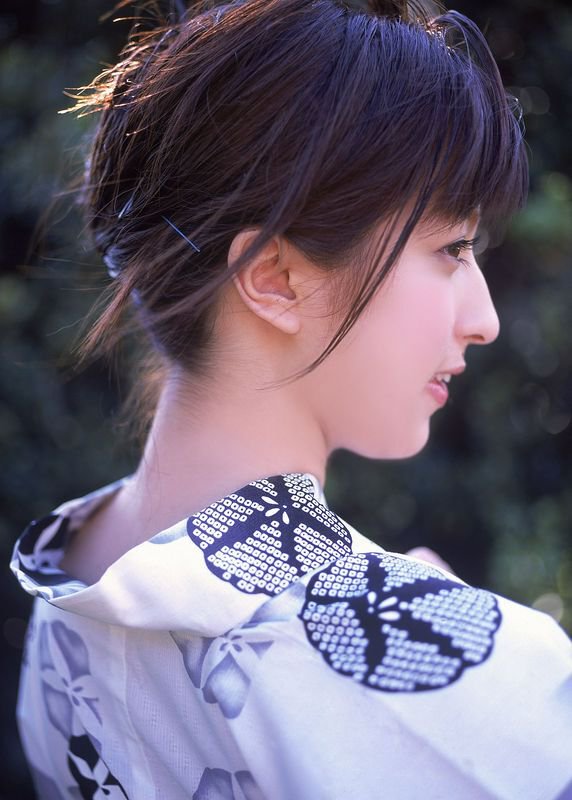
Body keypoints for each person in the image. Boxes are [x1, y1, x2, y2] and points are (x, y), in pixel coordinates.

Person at [10, 0, 572, 797]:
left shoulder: (61, 593)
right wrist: (458, 649)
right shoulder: (477, 679)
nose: (485, 319)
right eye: (452, 248)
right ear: (274, 279)